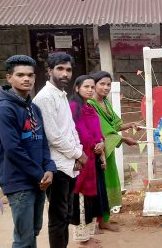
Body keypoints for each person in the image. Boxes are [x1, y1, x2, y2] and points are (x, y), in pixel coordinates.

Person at [0, 55, 56, 247]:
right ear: (8, 78)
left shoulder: (34, 108)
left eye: (30, 75)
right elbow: (13, 149)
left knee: (33, 231)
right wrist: (40, 174)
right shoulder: (4, 110)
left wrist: (49, 167)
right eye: (20, 75)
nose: (26, 79)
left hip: (38, 180)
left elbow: (42, 142)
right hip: (19, 181)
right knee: (24, 239)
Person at [33, 52, 88, 248]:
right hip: (56, 166)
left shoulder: (61, 94)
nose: (65, 74)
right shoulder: (45, 97)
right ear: (49, 71)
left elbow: (70, 127)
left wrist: (78, 152)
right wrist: (78, 153)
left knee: (65, 215)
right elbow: (53, 136)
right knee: (58, 217)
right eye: (60, 69)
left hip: (69, 164)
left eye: (68, 70)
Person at [88, 71, 139, 231]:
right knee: (99, 184)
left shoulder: (105, 102)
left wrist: (130, 125)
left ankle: (103, 220)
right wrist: (123, 139)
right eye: (102, 84)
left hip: (107, 148)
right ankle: (98, 222)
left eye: (108, 84)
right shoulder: (91, 104)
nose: (106, 87)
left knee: (107, 182)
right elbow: (103, 130)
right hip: (96, 150)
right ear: (94, 85)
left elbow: (115, 125)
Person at [70, 75, 110, 247]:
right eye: (86, 86)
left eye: (92, 87)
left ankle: (88, 235)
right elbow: (78, 131)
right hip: (81, 158)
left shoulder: (90, 109)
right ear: (77, 88)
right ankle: (82, 240)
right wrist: (95, 144)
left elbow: (97, 131)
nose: (90, 90)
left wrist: (101, 144)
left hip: (93, 157)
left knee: (92, 198)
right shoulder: (73, 107)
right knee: (82, 199)